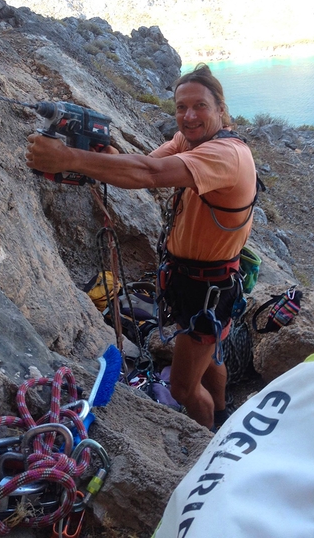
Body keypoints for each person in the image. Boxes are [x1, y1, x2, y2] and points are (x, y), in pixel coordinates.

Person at [25, 63, 258, 430]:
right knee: (212, 352)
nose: (189, 116)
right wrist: (102, 155)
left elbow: (150, 175)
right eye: (181, 107)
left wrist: (68, 158)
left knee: (182, 386)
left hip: (207, 288)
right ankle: (222, 410)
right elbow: (145, 164)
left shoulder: (226, 156)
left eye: (199, 106)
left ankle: (210, 439)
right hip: (204, 281)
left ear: (221, 110)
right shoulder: (193, 141)